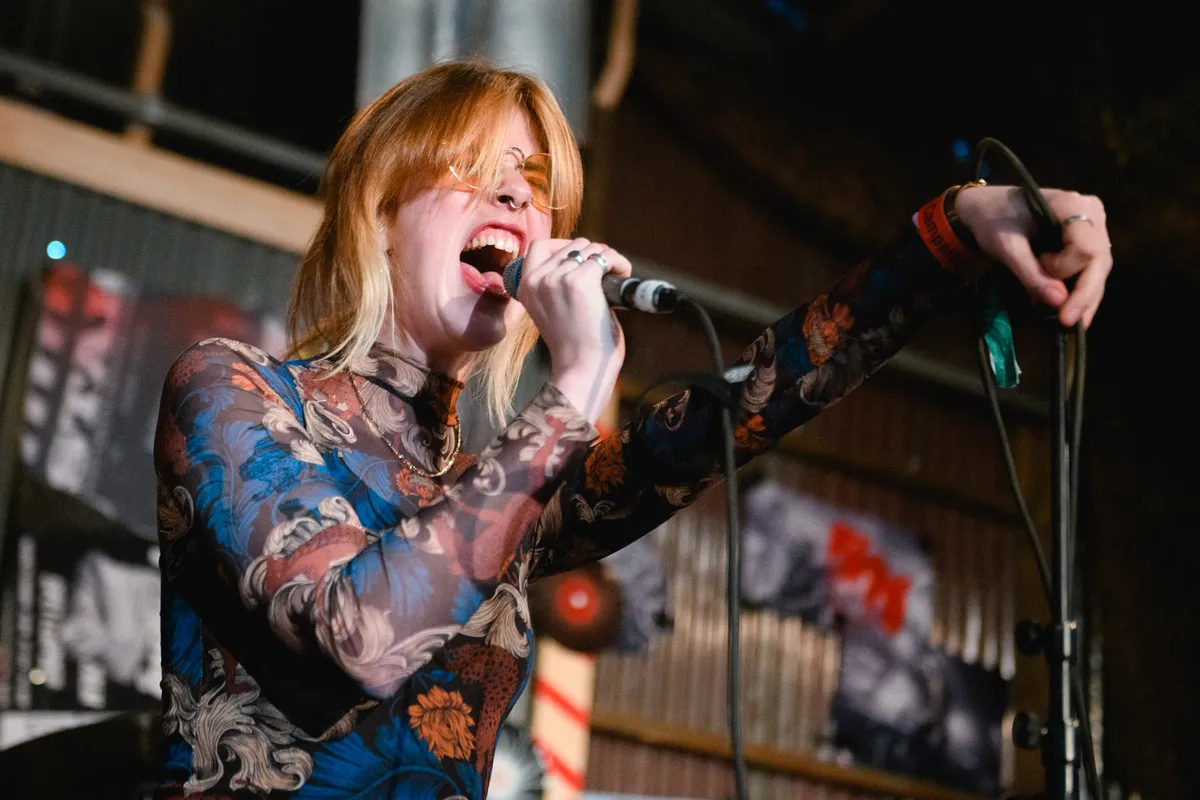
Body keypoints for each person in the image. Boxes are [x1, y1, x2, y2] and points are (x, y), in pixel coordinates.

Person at [153, 60, 1113, 798]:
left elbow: (741, 407)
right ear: (380, 213)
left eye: (535, 183)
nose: (517, 199)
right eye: (477, 170)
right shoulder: (231, 388)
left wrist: (949, 234)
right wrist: (572, 391)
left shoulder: (498, 497)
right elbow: (357, 633)